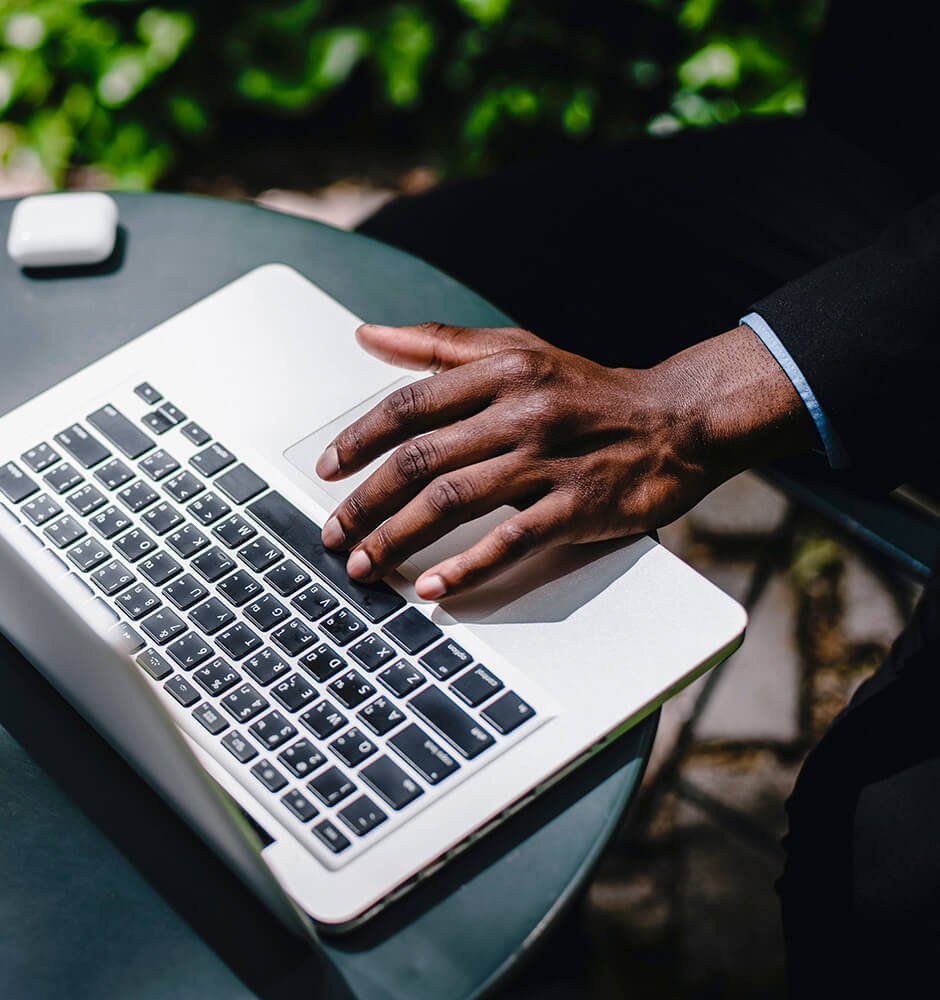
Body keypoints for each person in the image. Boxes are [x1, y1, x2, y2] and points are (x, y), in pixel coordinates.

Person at [328, 1, 940, 991]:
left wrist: (694, 405)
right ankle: (519, 925)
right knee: (402, 284)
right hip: (906, 171)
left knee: (882, 879)